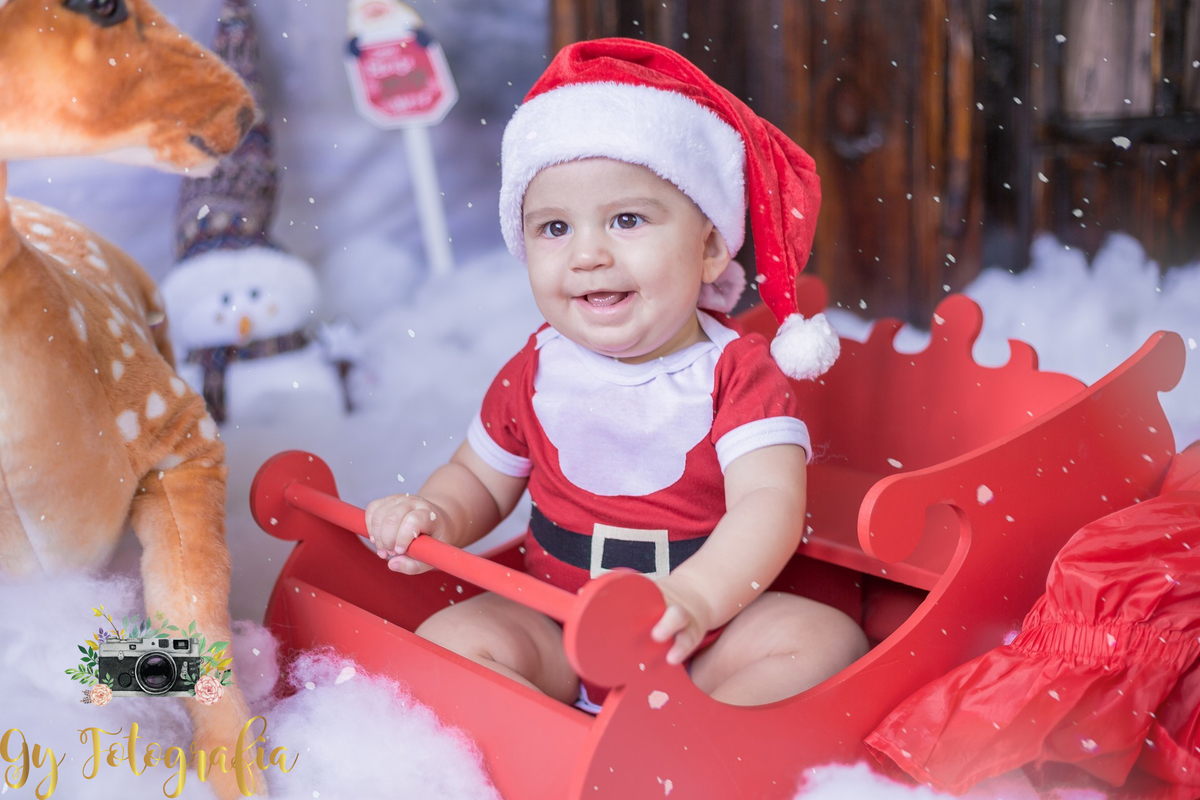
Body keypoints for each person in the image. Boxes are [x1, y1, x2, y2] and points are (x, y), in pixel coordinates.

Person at [366, 37, 867, 708]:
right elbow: (477, 482)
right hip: (556, 625)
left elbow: (767, 505)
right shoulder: (534, 370)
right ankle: (552, 737)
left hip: (700, 639)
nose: (587, 254)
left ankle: (691, 737)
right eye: (553, 229)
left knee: (823, 641)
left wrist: (696, 596)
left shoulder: (736, 373)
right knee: (446, 638)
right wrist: (436, 514)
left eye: (626, 220)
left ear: (710, 245)